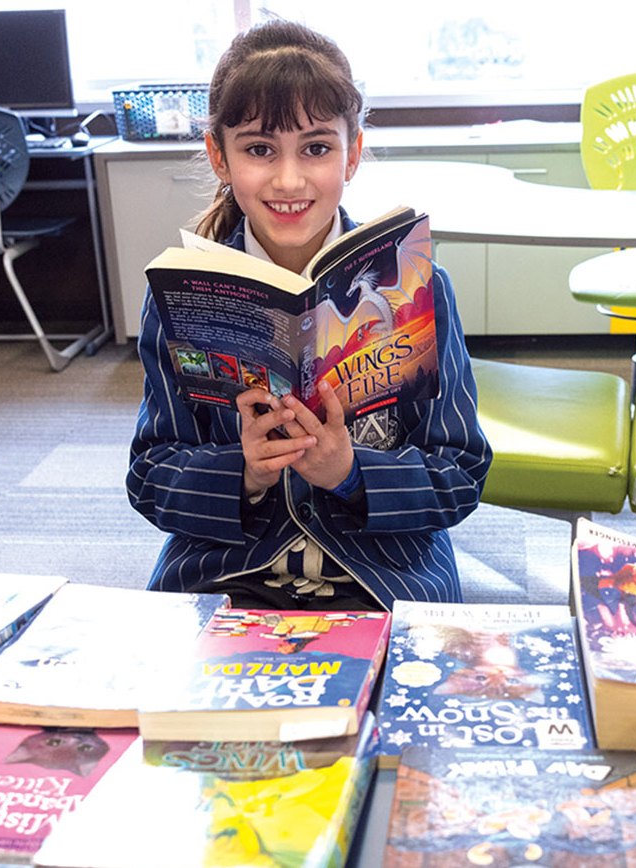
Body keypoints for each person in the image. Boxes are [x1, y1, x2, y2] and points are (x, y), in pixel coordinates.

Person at [127, 20, 491, 611]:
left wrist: (352, 473)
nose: (289, 179)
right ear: (218, 156)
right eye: (258, 149)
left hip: (382, 581)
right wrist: (242, 474)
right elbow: (151, 475)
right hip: (223, 577)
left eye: (317, 148)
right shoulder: (181, 296)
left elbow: (460, 473)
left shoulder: (418, 288)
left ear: (352, 155)